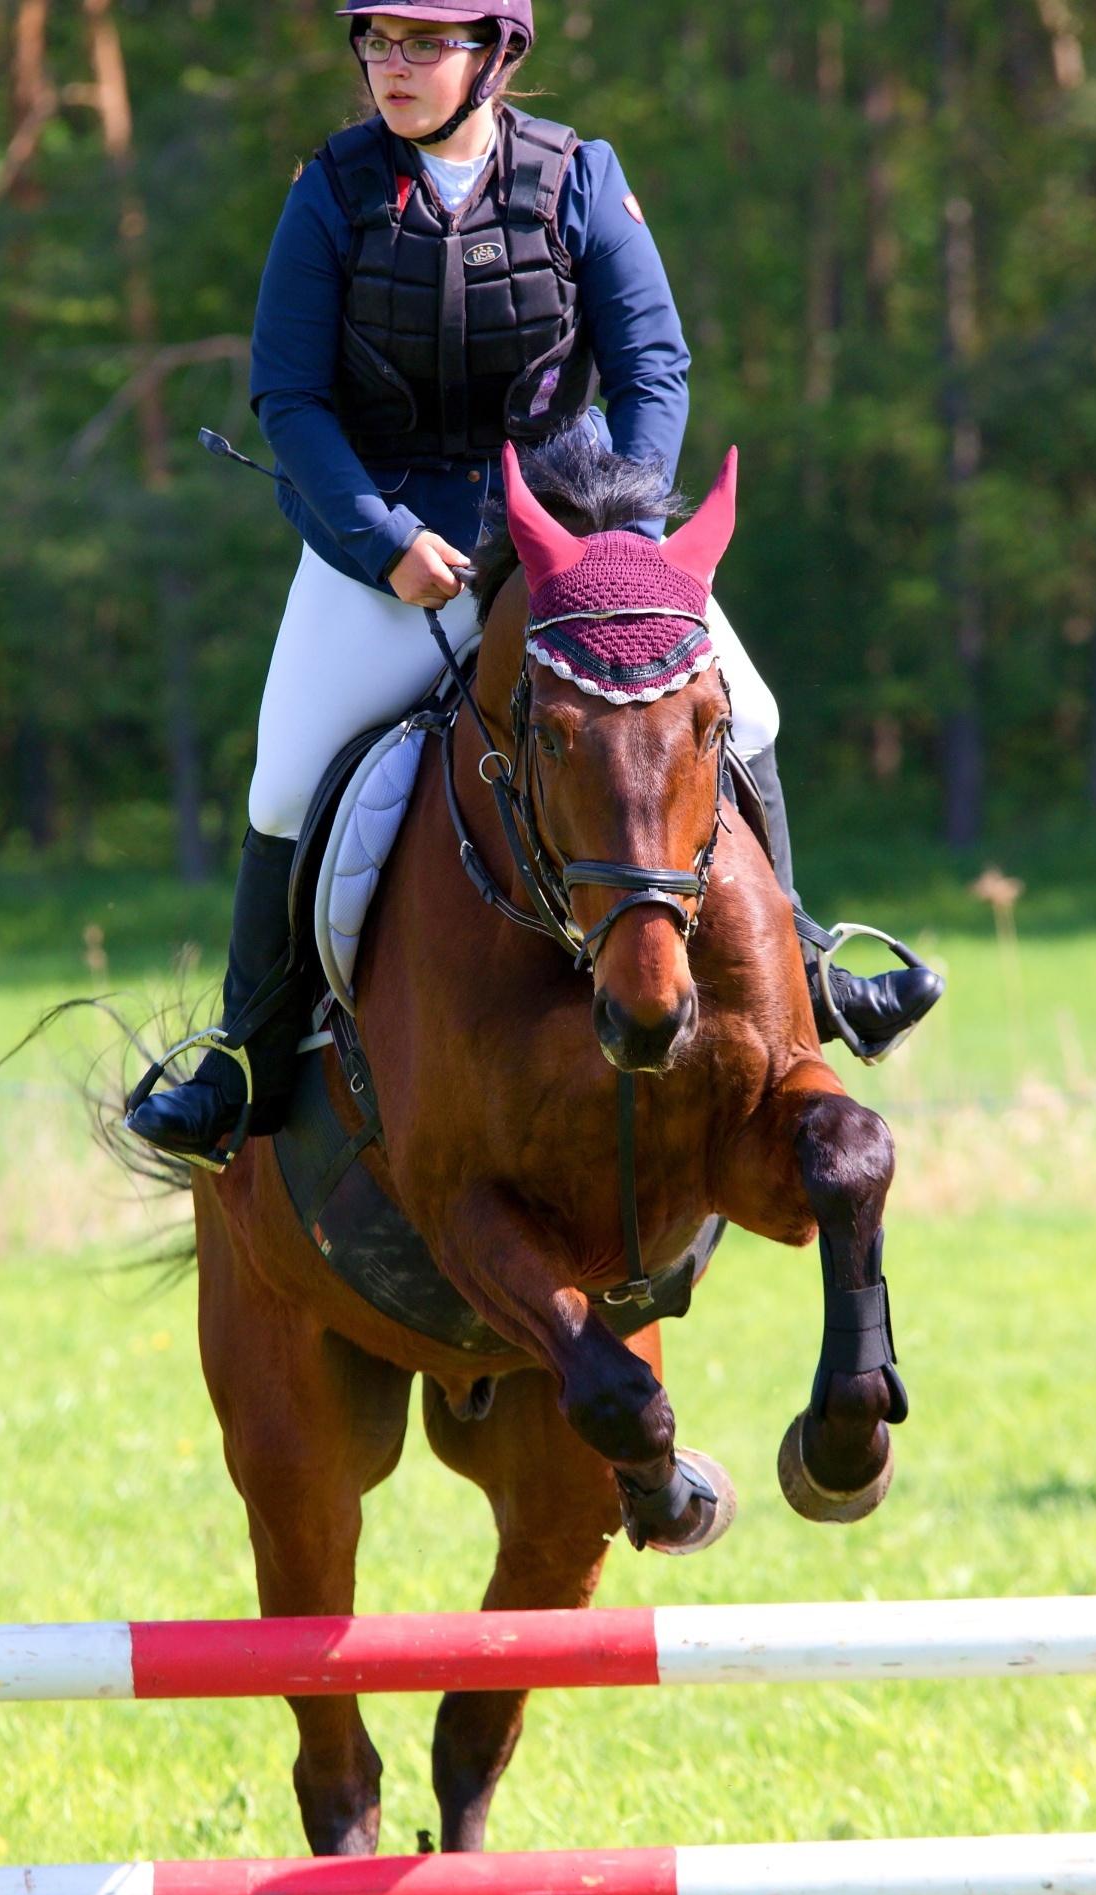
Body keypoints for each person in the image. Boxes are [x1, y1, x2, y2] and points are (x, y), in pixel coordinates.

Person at [125, 0, 943, 1163]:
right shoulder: (331, 191)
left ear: (494, 55)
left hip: (574, 547)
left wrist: (622, 543)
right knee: (287, 782)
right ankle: (240, 1062)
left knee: (749, 713)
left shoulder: (579, 178)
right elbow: (289, 399)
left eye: (423, 43)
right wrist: (383, 539)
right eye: (377, 42)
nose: (392, 66)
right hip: (390, 551)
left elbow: (654, 368)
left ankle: (807, 970)